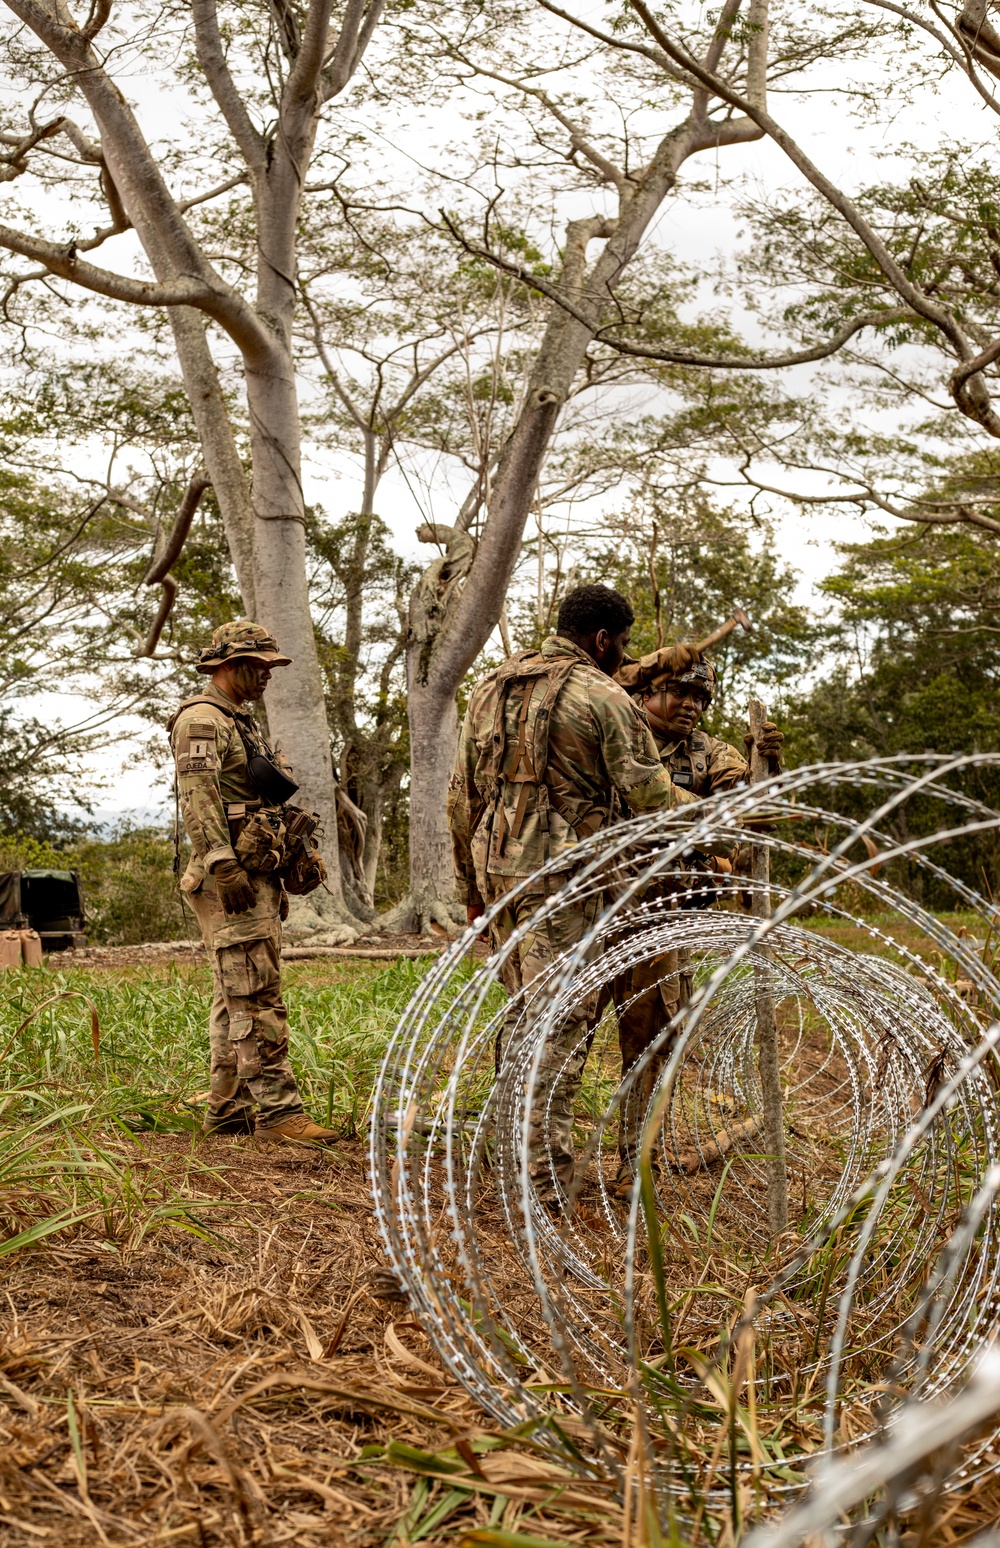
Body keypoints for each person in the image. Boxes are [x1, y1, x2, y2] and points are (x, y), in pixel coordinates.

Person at [446, 583, 696, 1204]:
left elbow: (461, 795)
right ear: (603, 639)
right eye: (625, 644)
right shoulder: (602, 694)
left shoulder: (490, 689)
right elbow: (652, 798)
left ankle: (503, 1156)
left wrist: (469, 888)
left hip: (501, 873)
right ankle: (542, 1179)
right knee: (562, 1024)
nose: (625, 656)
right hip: (569, 877)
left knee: (527, 1015)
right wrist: (721, 813)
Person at [606, 647, 783, 1194]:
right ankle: (535, 1153)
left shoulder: (712, 754)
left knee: (653, 1039)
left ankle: (637, 1163)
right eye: (678, 692)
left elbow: (745, 814)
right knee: (561, 1032)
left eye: (701, 696)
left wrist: (767, 769)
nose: (690, 705)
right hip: (593, 908)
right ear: (647, 691)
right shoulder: (611, 728)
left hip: (663, 917)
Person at [167, 620, 337, 1146]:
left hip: (250, 872)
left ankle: (228, 1107)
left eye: (269, 666)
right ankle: (280, 1114)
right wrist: (223, 864)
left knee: (233, 992)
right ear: (226, 665)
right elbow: (198, 796)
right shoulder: (202, 720)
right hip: (230, 877)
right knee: (256, 993)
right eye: (256, 665)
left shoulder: (238, 719)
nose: (266, 675)